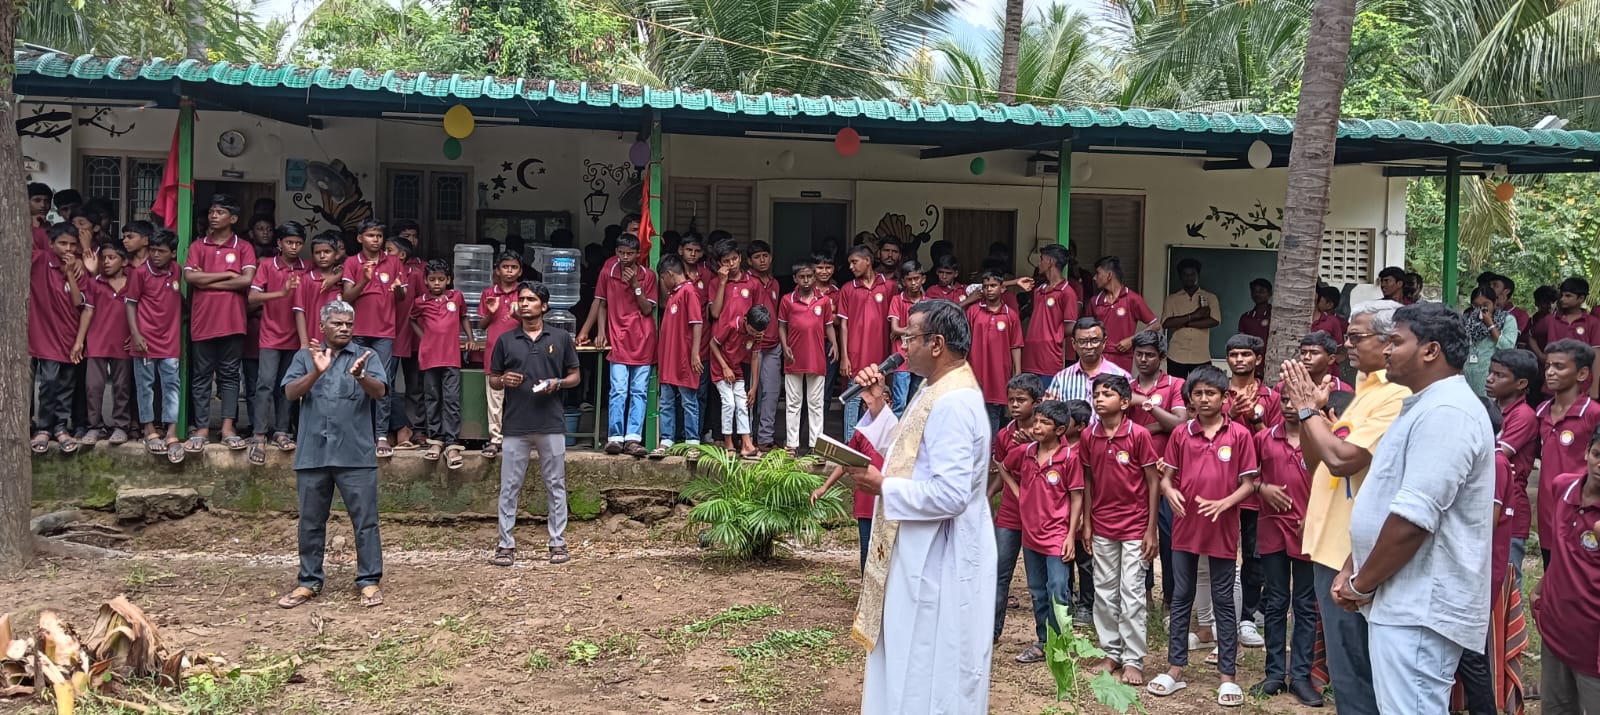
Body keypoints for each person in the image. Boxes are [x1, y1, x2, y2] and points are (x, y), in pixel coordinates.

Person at [1336, 301, 1494, 714]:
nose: (1386, 351)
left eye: (1396, 341)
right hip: (1400, 599)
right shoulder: (1424, 404)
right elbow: (1390, 498)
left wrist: (1360, 584)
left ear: (1431, 351)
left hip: (1420, 607)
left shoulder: (1447, 413)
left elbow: (1413, 520)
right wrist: (1356, 562)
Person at [845, 299, 996, 714]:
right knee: (904, 655)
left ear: (936, 344)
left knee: (928, 661)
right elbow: (910, 455)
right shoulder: (936, 389)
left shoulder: (954, 402)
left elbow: (951, 494)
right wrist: (878, 406)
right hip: (917, 548)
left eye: (908, 337)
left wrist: (884, 487)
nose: (901, 346)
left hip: (939, 560)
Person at [1280, 299, 1409, 715]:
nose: (1347, 344)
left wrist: (1306, 409)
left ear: (1391, 341)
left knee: (1357, 668)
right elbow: (1317, 460)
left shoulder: (1396, 396)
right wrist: (1313, 413)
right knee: (1343, 662)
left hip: (1357, 551)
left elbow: (1343, 459)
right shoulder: (1361, 392)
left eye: (1356, 337)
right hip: (1328, 543)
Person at [1148, 365, 1259, 707]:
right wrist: (1168, 492)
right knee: (1182, 596)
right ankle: (1175, 667)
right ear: (1190, 399)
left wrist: (1225, 503)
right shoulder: (1182, 434)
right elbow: (1166, 476)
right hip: (1185, 526)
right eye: (1197, 393)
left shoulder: (1239, 435)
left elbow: (1250, 483)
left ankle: (1227, 676)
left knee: (1224, 600)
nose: (1204, 398)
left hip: (1223, 528)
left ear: (1225, 398)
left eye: (1211, 393)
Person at [276, 300, 387, 610]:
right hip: (313, 453)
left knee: (365, 521)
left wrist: (361, 376)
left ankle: (369, 581)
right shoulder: (304, 356)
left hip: (356, 454)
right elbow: (289, 393)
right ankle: (308, 581)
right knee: (311, 521)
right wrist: (315, 371)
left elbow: (380, 392)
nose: (344, 328)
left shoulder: (367, 356)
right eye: (337, 323)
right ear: (322, 327)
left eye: (349, 324)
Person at [489, 281, 582, 567]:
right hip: (515, 424)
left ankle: (558, 543)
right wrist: (504, 379)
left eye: (530, 299)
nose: (524, 303)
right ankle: (505, 545)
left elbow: (575, 376)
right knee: (509, 487)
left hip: (551, 423)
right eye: (522, 299)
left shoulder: (561, 338)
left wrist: (558, 383)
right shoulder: (505, 340)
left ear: (544, 306)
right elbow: (493, 379)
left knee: (555, 484)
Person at [1084, 375, 1160, 686]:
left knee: (1131, 593)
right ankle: (1111, 651)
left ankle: (1133, 659)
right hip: (1102, 524)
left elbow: (1153, 481)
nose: (1100, 399)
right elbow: (1088, 479)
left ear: (1125, 403)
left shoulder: (1139, 435)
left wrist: (1151, 528)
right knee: (1103, 592)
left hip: (1135, 525)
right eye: (1097, 394)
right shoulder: (1090, 436)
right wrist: (1087, 522)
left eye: (1108, 394)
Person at [1251, 393, 1324, 706]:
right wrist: (1262, 487)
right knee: (1276, 600)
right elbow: (1247, 477)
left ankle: (1302, 676)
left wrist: (1312, 514)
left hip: (1308, 530)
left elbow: (1331, 481)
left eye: (1297, 401)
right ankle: (1275, 674)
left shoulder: (1320, 438)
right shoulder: (1263, 438)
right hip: (1272, 529)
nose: (1290, 407)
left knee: (1305, 604)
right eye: (1284, 402)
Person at [1452, 396, 1524, 715]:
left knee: (1470, 652)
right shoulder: (1488, 459)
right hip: (1474, 569)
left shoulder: (1493, 462)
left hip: (1477, 571)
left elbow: (1485, 522)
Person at [1003, 399, 1088, 665]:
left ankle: (1061, 642)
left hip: (1056, 536)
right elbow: (1004, 467)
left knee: (1058, 589)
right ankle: (1043, 641)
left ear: (1061, 430)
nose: (1037, 426)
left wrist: (1070, 535)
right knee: (1037, 590)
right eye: (1036, 421)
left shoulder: (1069, 459)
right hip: (1031, 534)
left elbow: (1076, 497)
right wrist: (1020, 495)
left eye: (1044, 423)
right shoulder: (1026, 451)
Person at [1529, 425, 1600, 713]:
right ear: (1586, 452)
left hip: (1594, 646)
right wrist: (1540, 589)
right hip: (1557, 631)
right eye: (1597, 454)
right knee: (1556, 707)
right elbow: (1564, 550)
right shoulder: (1564, 487)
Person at [184, 194, 256, 453]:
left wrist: (208, 281)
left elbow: (246, 280)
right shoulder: (197, 246)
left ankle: (228, 427)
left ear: (233, 218)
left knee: (229, 376)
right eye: (212, 211)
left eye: (220, 212)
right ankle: (202, 428)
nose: (213, 216)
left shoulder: (243, 246)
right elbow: (191, 278)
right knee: (201, 377)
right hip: (203, 321)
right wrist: (227, 274)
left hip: (232, 321)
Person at [579, 234, 659, 458]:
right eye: (621, 253)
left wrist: (635, 285)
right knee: (618, 390)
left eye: (630, 254)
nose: (625, 257)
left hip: (643, 339)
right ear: (616, 252)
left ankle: (633, 438)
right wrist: (601, 333)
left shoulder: (648, 276)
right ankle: (615, 437)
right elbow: (602, 304)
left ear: (638, 255)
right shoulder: (608, 272)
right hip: (618, 340)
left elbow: (646, 309)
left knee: (639, 392)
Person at [811, 379, 897, 572]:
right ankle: (865, 591)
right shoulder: (860, 432)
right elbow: (845, 461)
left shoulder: (895, 428)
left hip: (886, 497)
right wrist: (824, 487)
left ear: (889, 403)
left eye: (882, 401)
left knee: (886, 546)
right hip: (865, 497)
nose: (873, 407)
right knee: (866, 547)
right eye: (869, 404)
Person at [1128, 330, 1187, 606]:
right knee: (1140, 532)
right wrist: (1156, 425)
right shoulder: (1126, 387)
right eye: (1139, 354)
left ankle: (1171, 598)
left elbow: (1179, 425)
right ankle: (1145, 592)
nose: (1143, 359)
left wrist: (1148, 408)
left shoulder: (1175, 384)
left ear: (1161, 357)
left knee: (1169, 536)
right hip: (1134, 474)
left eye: (1150, 355)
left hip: (1170, 473)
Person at [339, 218, 406, 458]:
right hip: (357, 332)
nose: (375, 240)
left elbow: (401, 295)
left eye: (379, 236)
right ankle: (356, 432)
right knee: (353, 380)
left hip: (384, 333)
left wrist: (399, 290)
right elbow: (346, 298)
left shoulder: (395, 262)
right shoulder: (351, 262)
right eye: (370, 235)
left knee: (383, 382)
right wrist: (365, 280)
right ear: (360, 238)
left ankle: (380, 434)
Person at [1534, 339, 1600, 567]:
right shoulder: (1540, 412)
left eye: (1559, 367)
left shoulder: (1593, 413)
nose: (1550, 372)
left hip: (1582, 513)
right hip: (1547, 512)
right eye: (1548, 366)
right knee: (1550, 574)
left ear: (1581, 374)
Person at [247, 222, 309, 464]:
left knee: (288, 387)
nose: (294, 247)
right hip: (271, 335)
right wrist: (281, 293)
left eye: (298, 243)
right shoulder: (266, 265)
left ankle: (282, 431)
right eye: (289, 242)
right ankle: (259, 434)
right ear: (279, 244)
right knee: (265, 384)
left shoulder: (308, 268)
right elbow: (252, 297)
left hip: (298, 337)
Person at [991, 373, 1043, 642]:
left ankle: (1046, 637)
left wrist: (1030, 447)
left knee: (1040, 581)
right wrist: (989, 495)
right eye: (1011, 400)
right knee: (999, 572)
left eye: (1021, 400)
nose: (1014, 405)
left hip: (1040, 512)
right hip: (1011, 511)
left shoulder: (1047, 432)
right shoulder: (1004, 434)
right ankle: (992, 631)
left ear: (1037, 402)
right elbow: (1002, 469)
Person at [410, 259, 474, 469]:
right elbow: (412, 319)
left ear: (448, 280)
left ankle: (452, 442)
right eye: (432, 280)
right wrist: (424, 337)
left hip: (451, 357)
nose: (436, 283)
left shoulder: (456, 297)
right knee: (433, 398)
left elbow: (463, 317)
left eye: (441, 279)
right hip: (429, 357)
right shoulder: (420, 301)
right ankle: (435, 440)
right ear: (426, 281)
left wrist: (470, 338)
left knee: (451, 399)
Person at [126, 230, 183, 462]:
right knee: (145, 386)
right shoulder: (140, 273)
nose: (156, 255)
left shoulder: (177, 270)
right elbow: (130, 305)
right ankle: (149, 429)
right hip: (145, 341)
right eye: (153, 250)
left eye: (162, 251)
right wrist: (135, 334)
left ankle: (171, 431)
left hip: (170, 340)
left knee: (171, 386)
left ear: (172, 253)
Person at [72, 242, 136, 447]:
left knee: (122, 387)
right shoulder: (95, 282)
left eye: (112, 258)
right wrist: (79, 342)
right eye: (104, 258)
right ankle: (94, 426)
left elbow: (141, 311)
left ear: (124, 261)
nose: (106, 262)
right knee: (93, 386)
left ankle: (121, 426)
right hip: (97, 342)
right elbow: (87, 311)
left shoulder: (133, 282)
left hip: (123, 343)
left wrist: (136, 334)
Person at [31, 223, 86, 454]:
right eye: (63, 243)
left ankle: (61, 427)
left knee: (67, 383)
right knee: (49, 382)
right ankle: (44, 428)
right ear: (51, 244)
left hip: (71, 334)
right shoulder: (40, 260)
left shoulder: (79, 269)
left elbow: (78, 303)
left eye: (73, 245)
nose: (68, 249)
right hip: (46, 334)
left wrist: (73, 270)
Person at [1485, 349, 1538, 585]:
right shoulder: (1491, 409)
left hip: (1511, 508)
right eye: (1490, 373)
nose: (1489, 379)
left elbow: (1492, 454)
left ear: (1521, 383)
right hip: (1490, 502)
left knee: (1506, 583)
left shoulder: (1523, 415)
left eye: (1499, 375)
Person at [836, 245, 895, 441]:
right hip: (855, 354)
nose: (851, 267)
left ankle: (874, 446)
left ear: (867, 261)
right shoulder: (847, 289)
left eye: (854, 262)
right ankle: (849, 446)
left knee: (879, 399)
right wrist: (844, 357)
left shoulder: (889, 287)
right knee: (853, 400)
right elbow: (843, 325)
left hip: (881, 356)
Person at [779, 261, 836, 453]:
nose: (806, 280)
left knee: (816, 403)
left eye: (809, 276)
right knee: (793, 403)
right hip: (793, 357)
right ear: (795, 278)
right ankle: (792, 445)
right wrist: (785, 345)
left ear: (814, 277)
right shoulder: (787, 300)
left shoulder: (824, 300)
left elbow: (829, 325)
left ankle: (815, 446)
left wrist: (835, 344)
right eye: (802, 277)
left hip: (816, 357)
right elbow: (781, 326)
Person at [654, 255, 705, 456]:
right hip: (669, 358)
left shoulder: (689, 292)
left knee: (688, 400)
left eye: (662, 278)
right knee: (666, 400)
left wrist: (695, 354)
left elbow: (697, 323)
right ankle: (666, 439)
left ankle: (692, 442)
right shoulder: (674, 294)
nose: (662, 282)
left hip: (684, 358)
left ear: (668, 274)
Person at [477, 251, 524, 459]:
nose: (509, 271)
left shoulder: (524, 293)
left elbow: (534, 322)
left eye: (514, 267)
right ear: (498, 270)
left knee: (520, 396)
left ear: (520, 271)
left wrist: (517, 315)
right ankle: (495, 439)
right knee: (495, 398)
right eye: (505, 267)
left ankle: (517, 437)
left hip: (520, 351)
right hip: (494, 350)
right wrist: (491, 312)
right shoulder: (488, 293)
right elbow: (481, 325)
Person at [968, 271, 1024, 434]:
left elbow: (1016, 345)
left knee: (994, 413)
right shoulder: (973, 311)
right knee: (975, 413)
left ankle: (992, 452)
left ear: (1002, 288)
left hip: (1000, 374)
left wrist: (1017, 373)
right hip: (976, 373)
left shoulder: (1011, 315)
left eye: (993, 286)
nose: (989, 290)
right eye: (985, 287)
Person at [385, 234, 426, 451]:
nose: (385, 254)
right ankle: (394, 428)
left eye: (389, 250)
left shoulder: (415, 274)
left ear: (401, 255)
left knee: (414, 385)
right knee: (385, 384)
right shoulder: (379, 273)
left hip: (409, 333)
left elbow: (423, 302)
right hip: (385, 334)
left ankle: (413, 427)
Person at [713, 305, 768, 458]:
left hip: (737, 370)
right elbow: (713, 344)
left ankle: (746, 445)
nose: (754, 335)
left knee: (743, 404)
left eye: (758, 333)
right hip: (720, 369)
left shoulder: (757, 334)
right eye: (752, 331)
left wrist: (754, 386)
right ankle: (728, 443)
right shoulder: (731, 326)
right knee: (729, 403)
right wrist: (724, 367)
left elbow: (755, 358)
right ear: (745, 321)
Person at [1533, 277, 1600, 399]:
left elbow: (1596, 354)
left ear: (1581, 298)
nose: (1563, 299)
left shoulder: (1593, 323)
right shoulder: (1551, 320)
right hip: (1553, 383)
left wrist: (1595, 387)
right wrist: (1541, 356)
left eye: (1568, 296)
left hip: (1582, 385)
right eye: (1562, 295)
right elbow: (1531, 336)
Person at [746, 241, 784, 450]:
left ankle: (765, 439)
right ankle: (748, 437)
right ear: (749, 261)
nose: (762, 260)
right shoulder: (748, 282)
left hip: (773, 344)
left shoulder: (774, 283)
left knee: (771, 392)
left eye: (765, 256)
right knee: (751, 392)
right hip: (753, 345)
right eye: (757, 257)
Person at [1023, 245, 1081, 380]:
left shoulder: (1067, 292)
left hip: (1049, 358)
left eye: (1041, 259)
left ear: (1050, 262)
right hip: (1030, 356)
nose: (1039, 263)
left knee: (1047, 399)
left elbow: (1071, 326)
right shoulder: (1039, 291)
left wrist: (1053, 336)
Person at [1089, 257, 1156, 371]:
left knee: (1119, 388)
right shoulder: (1095, 301)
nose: (1094, 278)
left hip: (1122, 358)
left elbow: (1155, 325)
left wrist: (1133, 340)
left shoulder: (1133, 299)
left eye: (1097, 273)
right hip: (1098, 357)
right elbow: (1087, 329)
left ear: (1109, 275)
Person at [1159, 258, 1220, 378]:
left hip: (1201, 355)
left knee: (1201, 389)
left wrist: (1185, 322)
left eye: (1192, 274)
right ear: (1180, 277)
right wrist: (1194, 315)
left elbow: (1214, 321)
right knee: (1178, 391)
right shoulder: (1172, 299)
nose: (1189, 277)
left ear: (1198, 275)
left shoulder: (1210, 297)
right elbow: (1166, 323)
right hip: (1176, 355)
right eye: (1185, 275)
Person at [1046, 318, 1131, 402]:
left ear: (1104, 342)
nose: (1089, 346)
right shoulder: (1061, 379)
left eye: (1094, 340)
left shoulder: (1120, 376)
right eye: (1082, 341)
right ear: (1074, 344)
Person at [885, 260, 927, 415]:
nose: (914, 283)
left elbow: (930, 329)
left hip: (922, 357)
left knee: (915, 404)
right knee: (900, 403)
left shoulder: (928, 302)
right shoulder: (897, 299)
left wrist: (904, 331)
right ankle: (896, 439)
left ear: (923, 279)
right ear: (903, 281)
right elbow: (894, 328)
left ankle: (910, 438)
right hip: (901, 356)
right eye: (909, 279)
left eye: (917, 278)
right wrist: (918, 331)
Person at [1464, 286, 1519, 396]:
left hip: (1491, 376)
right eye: (1476, 305)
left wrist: (1490, 325)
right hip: (1468, 374)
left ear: (1494, 303)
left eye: (1485, 305)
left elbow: (1507, 347)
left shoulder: (1507, 320)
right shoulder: (1467, 320)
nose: (1480, 309)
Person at [1238, 279, 1274, 344]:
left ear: (1270, 293)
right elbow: (1241, 342)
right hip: (1251, 354)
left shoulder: (1276, 315)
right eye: (1254, 291)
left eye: (1261, 291)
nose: (1257, 294)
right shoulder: (1245, 317)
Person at [28, 182, 52, 251]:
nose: (43, 205)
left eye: (47, 201)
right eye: (37, 200)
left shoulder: (48, 226)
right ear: (27, 201)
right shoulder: (17, 226)